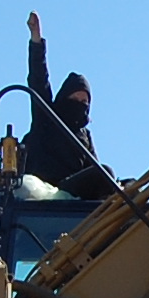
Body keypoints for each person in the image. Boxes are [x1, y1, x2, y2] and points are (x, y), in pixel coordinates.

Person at [23, 11, 118, 198]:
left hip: (75, 195)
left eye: (84, 102)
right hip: (47, 191)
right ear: (64, 97)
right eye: (75, 99)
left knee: (113, 179)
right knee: (105, 172)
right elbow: (39, 80)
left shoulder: (84, 136)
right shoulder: (48, 118)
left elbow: (94, 168)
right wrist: (36, 41)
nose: (79, 106)